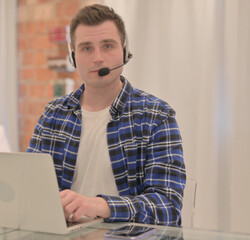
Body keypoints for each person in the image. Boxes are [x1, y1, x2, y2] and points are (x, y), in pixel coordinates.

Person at [27, 4, 186, 226]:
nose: (98, 58)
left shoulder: (156, 116)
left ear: (124, 50)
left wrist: (101, 205)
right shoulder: (53, 115)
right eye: (86, 48)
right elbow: (31, 190)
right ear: (73, 55)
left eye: (107, 46)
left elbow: (168, 205)